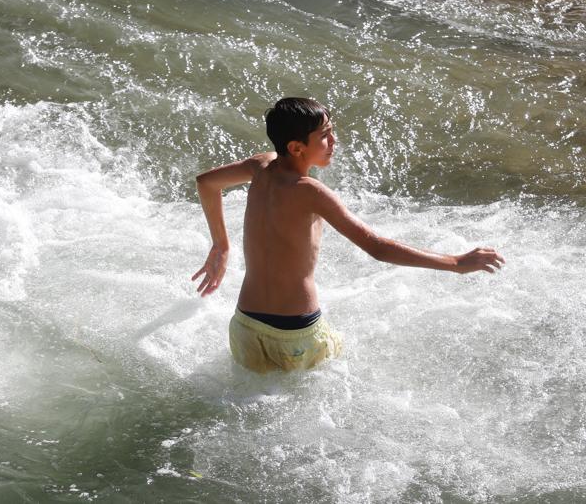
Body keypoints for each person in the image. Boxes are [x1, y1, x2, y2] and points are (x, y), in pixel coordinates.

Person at [191, 97, 504, 374]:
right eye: (324, 135)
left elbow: (206, 183)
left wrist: (221, 245)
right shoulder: (310, 192)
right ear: (297, 147)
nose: (333, 140)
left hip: (246, 326)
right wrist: (456, 262)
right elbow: (377, 248)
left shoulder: (260, 166)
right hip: (296, 333)